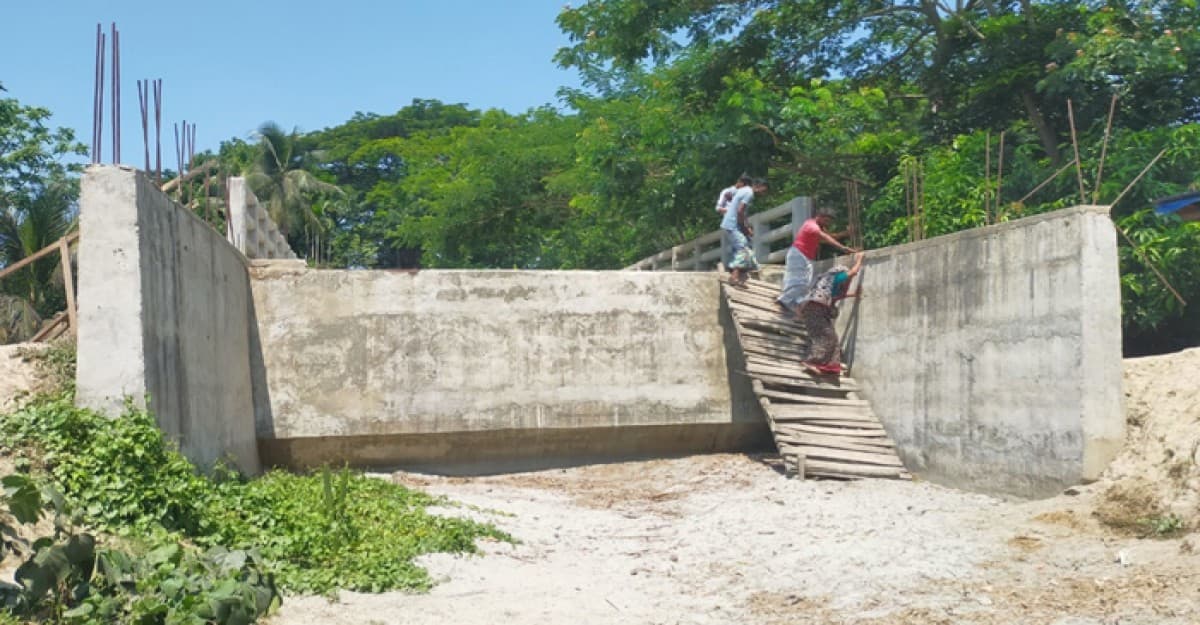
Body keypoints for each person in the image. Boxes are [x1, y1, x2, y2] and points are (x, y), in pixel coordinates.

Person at [798, 252, 865, 377]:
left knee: (830, 338)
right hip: (815, 310)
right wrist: (859, 259)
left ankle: (828, 367)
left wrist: (854, 294)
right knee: (827, 337)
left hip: (812, 311)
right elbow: (853, 272)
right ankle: (812, 362)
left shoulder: (827, 284)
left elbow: (838, 296)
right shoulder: (836, 276)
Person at [778, 209, 856, 314]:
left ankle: (793, 303)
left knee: (806, 282)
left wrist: (845, 234)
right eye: (826, 221)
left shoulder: (818, 227)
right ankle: (784, 301)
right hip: (799, 255)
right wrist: (844, 248)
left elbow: (829, 237)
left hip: (805, 256)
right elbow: (826, 238)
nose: (827, 223)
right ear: (819, 216)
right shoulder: (812, 226)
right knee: (798, 281)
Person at [721, 178, 769, 286]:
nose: (763, 193)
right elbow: (740, 211)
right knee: (742, 248)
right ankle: (734, 277)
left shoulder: (745, 190)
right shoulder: (749, 193)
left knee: (746, 245)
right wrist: (744, 228)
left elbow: (743, 212)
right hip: (732, 225)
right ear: (758, 186)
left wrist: (747, 227)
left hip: (731, 224)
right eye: (763, 190)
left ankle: (747, 272)